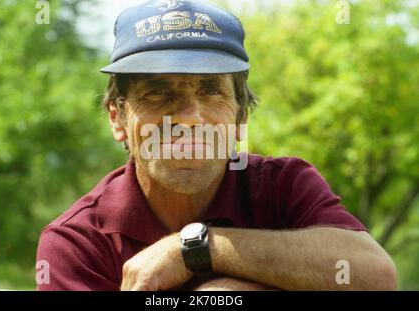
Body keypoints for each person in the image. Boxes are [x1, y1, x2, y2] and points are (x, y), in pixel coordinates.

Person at [36, 0, 397, 291]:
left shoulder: (284, 185)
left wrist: (198, 248)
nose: (190, 117)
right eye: (158, 92)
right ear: (118, 119)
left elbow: (375, 277)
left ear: (241, 119)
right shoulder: (76, 244)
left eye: (211, 90)